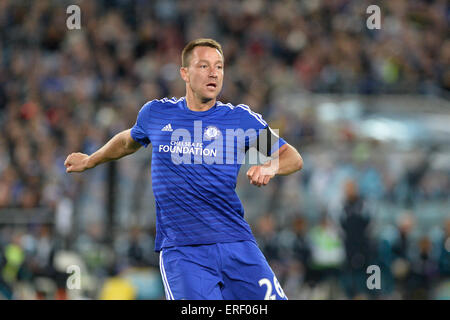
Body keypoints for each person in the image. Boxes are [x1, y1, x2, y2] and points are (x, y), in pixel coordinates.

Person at [64, 38, 303, 300]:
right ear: (185, 73)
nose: (214, 73)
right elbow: (127, 141)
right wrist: (91, 160)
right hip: (184, 252)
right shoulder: (157, 113)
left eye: (219, 67)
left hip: (236, 243)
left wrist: (270, 167)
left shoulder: (239, 119)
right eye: (203, 66)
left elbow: (291, 156)